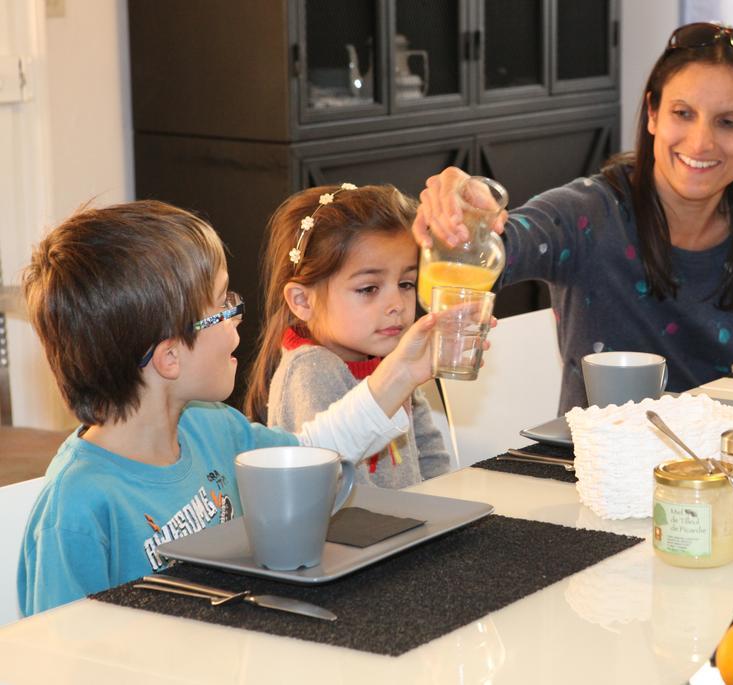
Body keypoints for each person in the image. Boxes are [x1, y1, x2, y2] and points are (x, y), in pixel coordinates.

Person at [18, 199, 440, 616]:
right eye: (222, 305)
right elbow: (58, 655)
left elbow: (311, 455)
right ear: (170, 358)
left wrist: (401, 374)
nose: (237, 316)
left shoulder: (213, 427)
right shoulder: (76, 509)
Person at [413, 23, 733, 414]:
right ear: (652, 113)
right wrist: (464, 212)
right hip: (598, 462)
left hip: (711, 460)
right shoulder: (587, 212)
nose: (701, 141)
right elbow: (495, 249)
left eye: (728, 122)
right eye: (682, 113)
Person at [244, 184, 450, 488]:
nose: (397, 306)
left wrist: (445, 505)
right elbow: (338, 490)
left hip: (408, 528)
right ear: (302, 301)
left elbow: (429, 454)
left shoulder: (389, 359)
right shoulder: (312, 370)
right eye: (369, 289)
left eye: (406, 283)